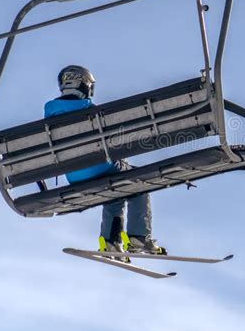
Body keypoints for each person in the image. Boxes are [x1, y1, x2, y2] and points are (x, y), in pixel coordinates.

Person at [44, 65, 166, 256]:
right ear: (84, 85)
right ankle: (139, 237)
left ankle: (111, 243)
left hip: (74, 175)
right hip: (99, 168)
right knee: (139, 181)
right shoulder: (91, 111)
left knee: (115, 190)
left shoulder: (49, 112)